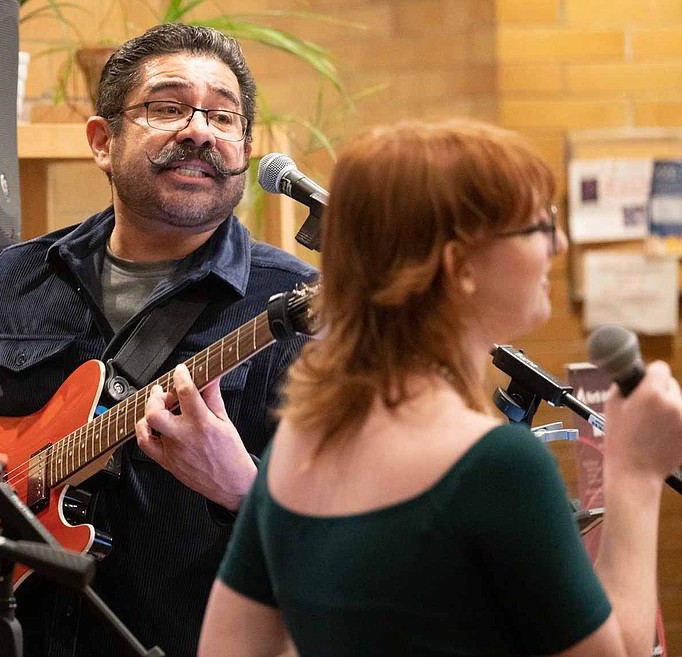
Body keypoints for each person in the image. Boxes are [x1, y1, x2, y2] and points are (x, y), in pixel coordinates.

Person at [0, 23, 317, 657]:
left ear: (245, 148)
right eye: (168, 108)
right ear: (103, 141)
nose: (199, 130)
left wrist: (240, 485)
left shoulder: (300, 305)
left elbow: (358, 534)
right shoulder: (17, 278)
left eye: (224, 116)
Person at [199, 119, 682, 656]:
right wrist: (635, 475)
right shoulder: (496, 464)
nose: (561, 243)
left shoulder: (300, 442)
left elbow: (227, 647)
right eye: (538, 227)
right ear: (460, 265)